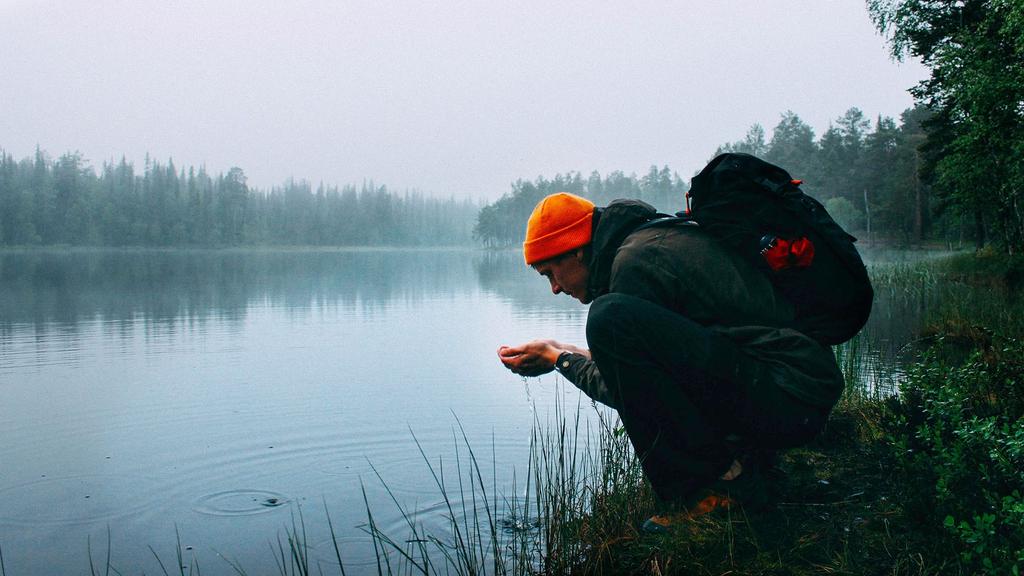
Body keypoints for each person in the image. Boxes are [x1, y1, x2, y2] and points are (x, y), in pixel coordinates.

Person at [497, 192, 844, 532]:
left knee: (607, 318)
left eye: (550, 273)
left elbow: (630, 390)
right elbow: (661, 363)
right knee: (612, 321)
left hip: (789, 399)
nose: (555, 288)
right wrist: (561, 349)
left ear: (575, 251)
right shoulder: (646, 242)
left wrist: (560, 360)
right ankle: (744, 468)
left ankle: (721, 489)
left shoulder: (633, 267)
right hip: (794, 391)